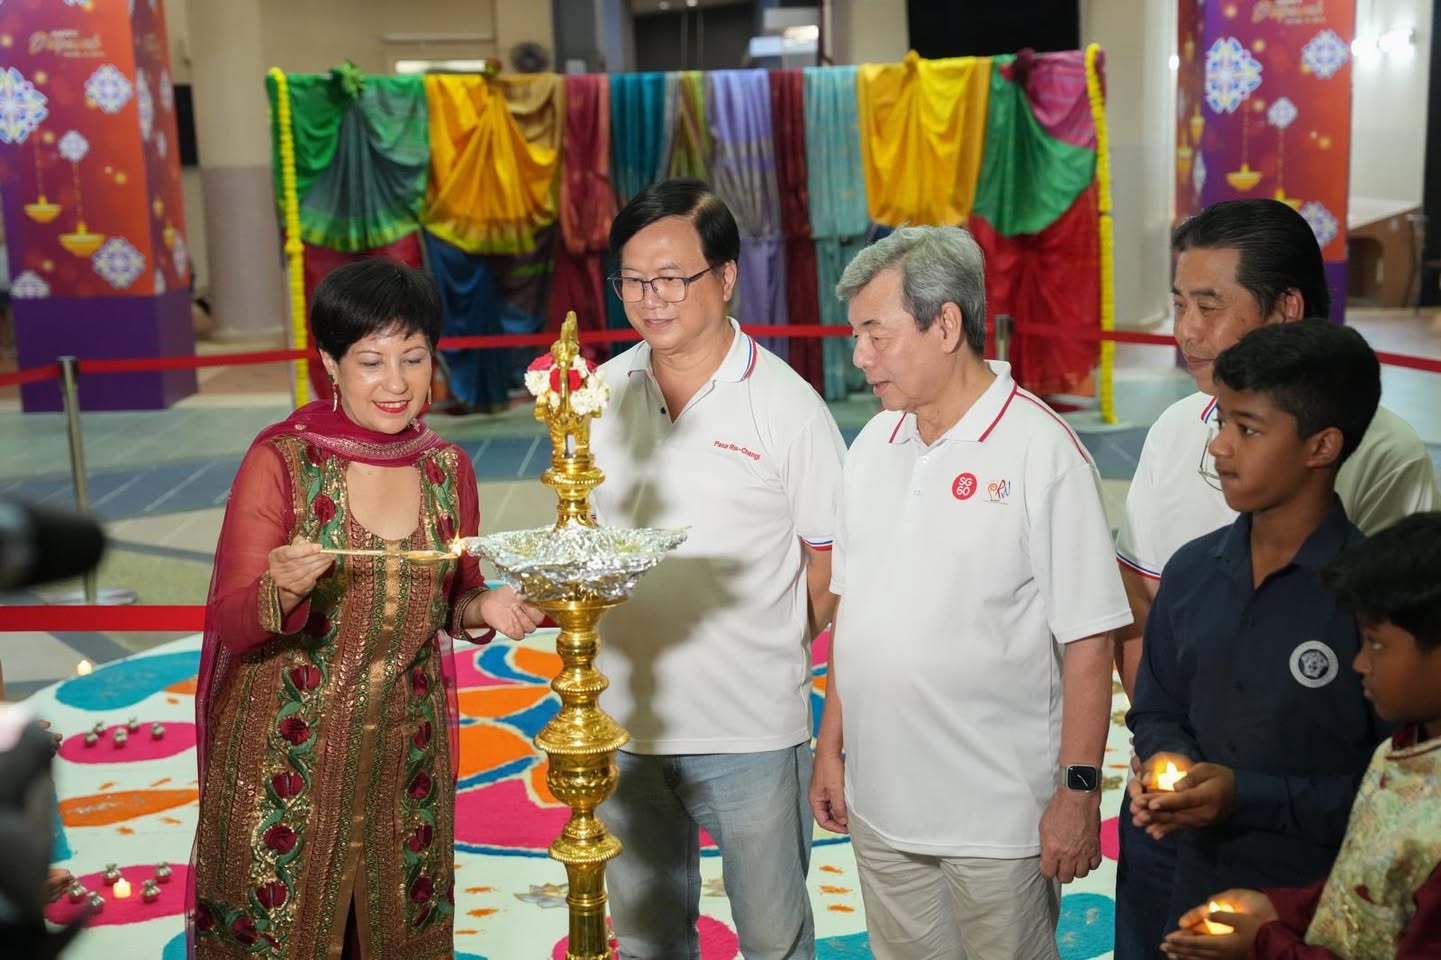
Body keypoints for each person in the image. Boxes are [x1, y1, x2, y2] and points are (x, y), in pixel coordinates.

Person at [1112, 198, 1438, 958]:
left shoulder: (1379, 462)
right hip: (1173, 828)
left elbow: (1398, 736)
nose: (1184, 328)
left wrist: (1245, 794)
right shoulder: (1181, 456)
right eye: (1176, 304)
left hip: (1310, 867)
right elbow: (1147, 615)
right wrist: (1169, 766)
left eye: (1207, 304)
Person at [190, 260, 544, 959]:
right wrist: (281, 589)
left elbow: (452, 599)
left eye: (413, 358)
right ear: (330, 363)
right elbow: (231, 621)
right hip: (283, 762)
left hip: (402, 762)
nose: (395, 382)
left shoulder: (446, 469)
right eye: (371, 360)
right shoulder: (284, 463)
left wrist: (487, 609)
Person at [812, 225, 1130, 959]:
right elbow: (852, 614)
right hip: (883, 809)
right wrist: (831, 748)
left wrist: (1077, 796)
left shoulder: (1041, 451)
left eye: (875, 333)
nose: (859, 356)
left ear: (945, 323)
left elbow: (1089, 640)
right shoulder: (871, 445)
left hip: (996, 818)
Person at [588, 178, 845, 960]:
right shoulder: (598, 394)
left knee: (773, 939)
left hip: (749, 731)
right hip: (623, 721)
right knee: (644, 939)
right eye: (632, 281)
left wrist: (759, 640)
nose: (650, 298)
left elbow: (830, 568)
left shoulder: (787, 407)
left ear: (725, 277)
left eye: (672, 278)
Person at [1127, 319, 1393, 944]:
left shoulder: (1374, 602)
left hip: (1317, 914)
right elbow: (1158, 706)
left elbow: (1394, 794)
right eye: (1221, 423)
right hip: (1191, 891)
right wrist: (1171, 759)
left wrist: (1246, 795)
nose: (1219, 448)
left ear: (1321, 447)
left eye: (1247, 429)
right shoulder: (1192, 571)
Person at [1159, 511, 1441, 960]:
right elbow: (1364, 880)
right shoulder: (1403, 748)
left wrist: (1266, 941)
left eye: (1378, 645)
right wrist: (1281, 908)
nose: (1360, 663)